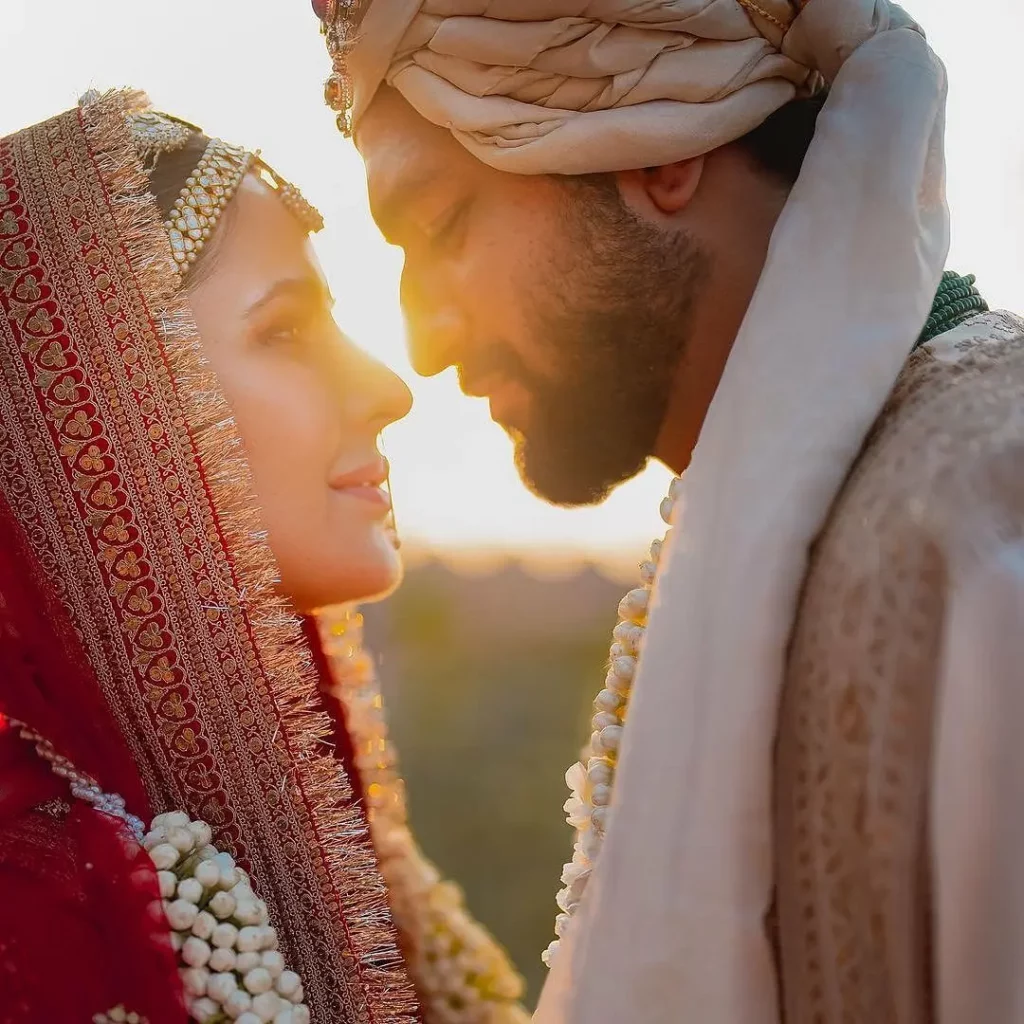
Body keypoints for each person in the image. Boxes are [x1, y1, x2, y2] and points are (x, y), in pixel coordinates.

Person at [311, 1, 1024, 1021]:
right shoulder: (750, 535)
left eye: (442, 224)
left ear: (657, 143)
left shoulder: (982, 515)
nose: (423, 345)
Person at [0, 90, 527, 1024]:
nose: (387, 388)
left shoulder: (330, 849)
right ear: (107, 413)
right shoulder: (35, 910)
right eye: (285, 330)